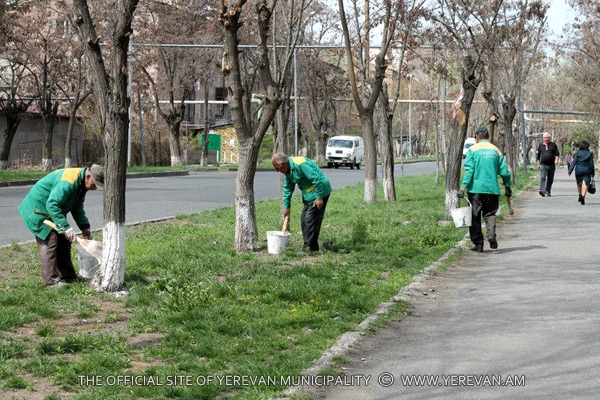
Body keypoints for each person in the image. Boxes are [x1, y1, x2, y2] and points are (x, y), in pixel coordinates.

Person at [18, 164, 104, 287]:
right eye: (95, 184)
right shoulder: (68, 181)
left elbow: (77, 207)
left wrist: (85, 227)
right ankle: (51, 282)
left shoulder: (81, 185)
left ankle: (68, 277)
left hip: (50, 211)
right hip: (37, 210)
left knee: (64, 239)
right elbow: (52, 204)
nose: (95, 188)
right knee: (50, 239)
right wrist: (65, 227)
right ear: (88, 177)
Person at [459, 126, 512, 253]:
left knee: (475, 216)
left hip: (475, 190)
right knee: (490, 214)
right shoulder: (496, 151)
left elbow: (470, 171)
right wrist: (507, 185)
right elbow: (504, 172)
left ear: (477, 137)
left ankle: (478, 244)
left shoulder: (472, 150)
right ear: (488, 136)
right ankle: (491, 235)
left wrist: (463, 188)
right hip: (492, 189)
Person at [272, 153, 332, 254]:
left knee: (310, 219)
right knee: (304, 219)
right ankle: (313, 248)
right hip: (309, 195)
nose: (277, 171)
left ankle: (308, 248)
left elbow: (316, 179)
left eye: (277, 168)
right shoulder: (288, 170)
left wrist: (319, 197)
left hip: (320, 191)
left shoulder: (301, 164)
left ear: (282, 164)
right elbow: (287, 188)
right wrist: (286, 206)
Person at [568, 140, 595, 205]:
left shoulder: (577, 153)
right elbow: (591, 164)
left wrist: (570, 170)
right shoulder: (590, 153)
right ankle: (583, 196)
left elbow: (574, 162)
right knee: (585, 184)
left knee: (579, 183)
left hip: (578, 170)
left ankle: (580, 194)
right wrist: (593, 172)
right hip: (587, 170)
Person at [536, 132, 560, 197]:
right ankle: (542, 190)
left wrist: (556, 160)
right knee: (542, 177)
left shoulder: (553, 145)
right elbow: (538, 156)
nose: (546, 139)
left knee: (550, 178)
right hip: (543, 164)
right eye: (545, 138)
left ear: (549, 138)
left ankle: (548, 191)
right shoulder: (540, 145)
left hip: (551, 164)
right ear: (543, 138)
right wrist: (538, 164)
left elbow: (557, 153)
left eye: (547, 138)